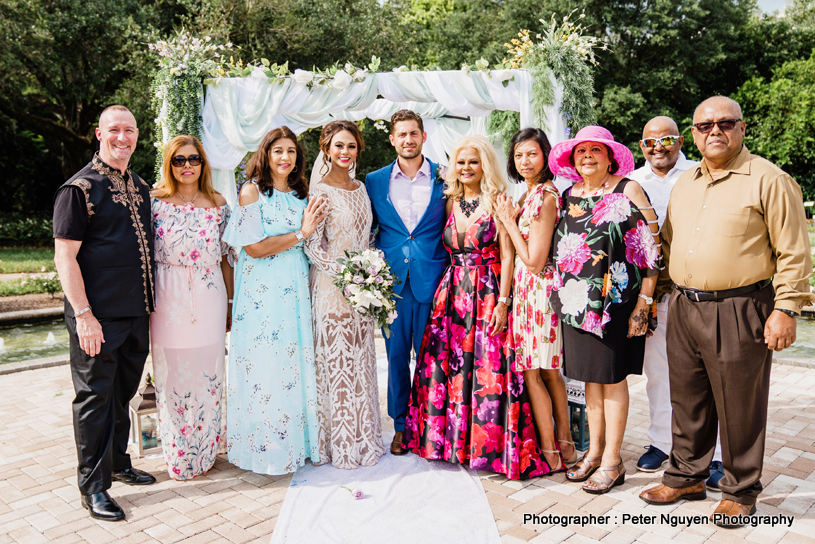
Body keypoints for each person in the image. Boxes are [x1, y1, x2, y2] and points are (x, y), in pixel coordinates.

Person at [639, 96, 814, 527]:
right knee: (688, 400)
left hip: (740, 307)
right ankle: (686, 476)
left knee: (740, 404)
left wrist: (786, 308)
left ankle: (740, 489)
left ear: (741, 127)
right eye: (703, 125)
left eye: (724, 123)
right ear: (693, 134)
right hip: (683, 305)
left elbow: (794, 251)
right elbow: (670, 244)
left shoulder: (769, 180)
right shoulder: (687, 182)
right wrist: (656, 300)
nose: (713, 131)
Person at [401, 135, 548, 479]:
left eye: (473, 162)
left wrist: (504, 301)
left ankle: (487, 448)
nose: (466, 168)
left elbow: (509, 255)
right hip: (451, 295)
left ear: (485, 165)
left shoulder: (499, 200)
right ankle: (447, 443)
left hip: (487, 292)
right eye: (461, 162)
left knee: (487, 371)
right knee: (446, 369)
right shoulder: (449, 202)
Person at [53, 105, 156, 521]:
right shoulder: (79, 189)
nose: (122, 137)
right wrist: (83, 315)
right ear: (99, 133)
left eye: (129, 130)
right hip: (96, 316)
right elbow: (65, 257)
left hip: (136, 313)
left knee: (121, 394)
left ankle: (117, 461)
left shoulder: (141, 185)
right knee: (94, 399)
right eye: (114, 130)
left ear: (136, 135)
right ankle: (93, 487)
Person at [548, 125, 661, 494]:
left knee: (612, 380)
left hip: (615, 303)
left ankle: (613, 460)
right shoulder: (568, 195)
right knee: (590, 380)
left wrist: (644, 302)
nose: (588, 157)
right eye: (581, 152)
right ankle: (594, 452)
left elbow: (648, 249)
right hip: (576, 304)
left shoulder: (626, 189)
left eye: (596, 150)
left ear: (610, 156)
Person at [628, 117, 725, 486]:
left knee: (706, 375)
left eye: (666, 140)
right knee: (658, 372)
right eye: (650, 141)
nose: (659, 147)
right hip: (653, 291)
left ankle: (712, 455)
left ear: (680, 140)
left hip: (695, 288)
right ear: (642, 146)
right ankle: (660, 442)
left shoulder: (700, 173)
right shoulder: (634, 183)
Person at [224, 126, 326, 474]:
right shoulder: (252, 192)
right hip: (262, 293)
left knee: (292, 363)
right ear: (265, 154)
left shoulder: (302, 195)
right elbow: (253, 248)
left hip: (295, 287)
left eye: (291, 152)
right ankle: (265, 448)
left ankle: (297, 442)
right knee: (265, 364)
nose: (285, 158)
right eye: (278, 151)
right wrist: (301, 233)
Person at [150, 135, 234, 480]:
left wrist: (230, 302)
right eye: (179, 160)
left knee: (208, 373)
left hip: (210, 293)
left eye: (193, 159)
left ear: (203, 163)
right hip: (167, 297)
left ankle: (207, 449)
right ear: (169, 165)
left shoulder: (218, 203)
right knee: (173, 373)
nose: (187, 165)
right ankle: (179, 452)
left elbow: (228, 258)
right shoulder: (154, 203)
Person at [365, 110, 448, 455]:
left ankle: (432, 425)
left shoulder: (447, 178)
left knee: (434, 360)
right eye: (402, 135)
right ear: (392, 139)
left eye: (414, 134)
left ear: (423, 137)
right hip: (393, 286)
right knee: (397, 359)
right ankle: (401, 427)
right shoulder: (373, 181)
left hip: (434, 281)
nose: (408, 140)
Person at [305, 120, 386, 469]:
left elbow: (366, 236)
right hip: (331, 287)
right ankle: (338, 445)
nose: (345, 152)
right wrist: (347, 276)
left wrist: (371, 271)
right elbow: (312, 245)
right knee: (336, 364)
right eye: (339, 145)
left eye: (351, 146)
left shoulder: (361, 187)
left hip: (362, 291)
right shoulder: (320, 191)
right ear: (326, 148)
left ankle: (363, 438)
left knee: (360, 361)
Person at [493, 128, 574, 473]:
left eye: (532, 154)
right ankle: (565, 448)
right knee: (546, 372)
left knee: (537, 373)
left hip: (539, 291)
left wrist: (509, 224)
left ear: (546, 156)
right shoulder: (528, 195)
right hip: (527, 292)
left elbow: (535, 260)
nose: (525, 161)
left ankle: (552, 449)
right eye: (519, 155)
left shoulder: (545, 196)